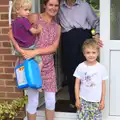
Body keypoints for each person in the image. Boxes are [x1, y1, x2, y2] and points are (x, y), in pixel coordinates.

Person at [8, 0, 61, 119]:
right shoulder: (34, 17)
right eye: (50, 4)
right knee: (33, 101)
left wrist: (34, 52)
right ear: (44, 5)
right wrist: (20, 50)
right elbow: (11, 32)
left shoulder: (57, 27)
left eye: (56, 5)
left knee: (51, 100)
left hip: (48, 66)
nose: (53, 8)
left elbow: (53, 47)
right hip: (33, 66)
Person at [57, 0, 103, 110]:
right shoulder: (59, 7)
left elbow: (96, 22)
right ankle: (74, 101)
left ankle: (89, 100)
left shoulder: (84, 6)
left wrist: (97, 34)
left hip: (83, 37)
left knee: (87, 70)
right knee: (71, 71)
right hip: (67, 40)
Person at [74, 39, 108, 119]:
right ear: (84, 54)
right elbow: (77, 84)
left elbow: (103, 85)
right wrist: (77, 99)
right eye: (88, 52)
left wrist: (102, 100)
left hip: (96, 102)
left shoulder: (101, 68)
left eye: (93, 52)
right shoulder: (81, 67)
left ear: (98, 53)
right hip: (83, 101)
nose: (91, 55)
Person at [12, 0, 43, 74]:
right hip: (29, 46)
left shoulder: (14, 22)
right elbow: (33, 31)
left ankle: (15, 73)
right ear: (17, 10)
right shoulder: (24, 20)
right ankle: (36, 74)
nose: (28, 12)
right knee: (40, 62)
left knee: (20, 60)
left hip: (19, 47)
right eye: (26, 10)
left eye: (29, 10)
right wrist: (39, 29)